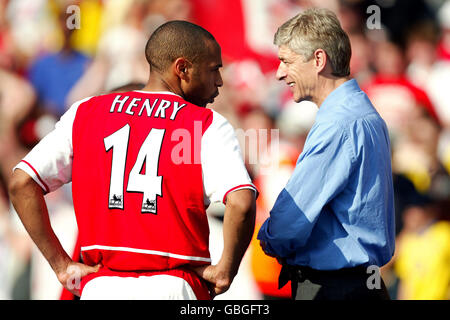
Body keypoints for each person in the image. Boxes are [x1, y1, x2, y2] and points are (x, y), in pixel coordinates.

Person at [8, 20, 257, 300]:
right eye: (214, 70)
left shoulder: (85, 113)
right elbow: (241, 202)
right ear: (182, 69)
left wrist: (61, 265)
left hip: (102, 288)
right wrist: (226, 270)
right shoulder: (205, 123)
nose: (220, 81)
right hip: (173, 286)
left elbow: (21, 182)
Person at [257, 8, 395, 300]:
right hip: (358, 284)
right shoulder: (361, 114)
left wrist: (266, 238)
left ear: (318, 60)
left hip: (333, 287)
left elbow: (290, 222)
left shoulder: (338, 124)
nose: (280, 73)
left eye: (286, 61)